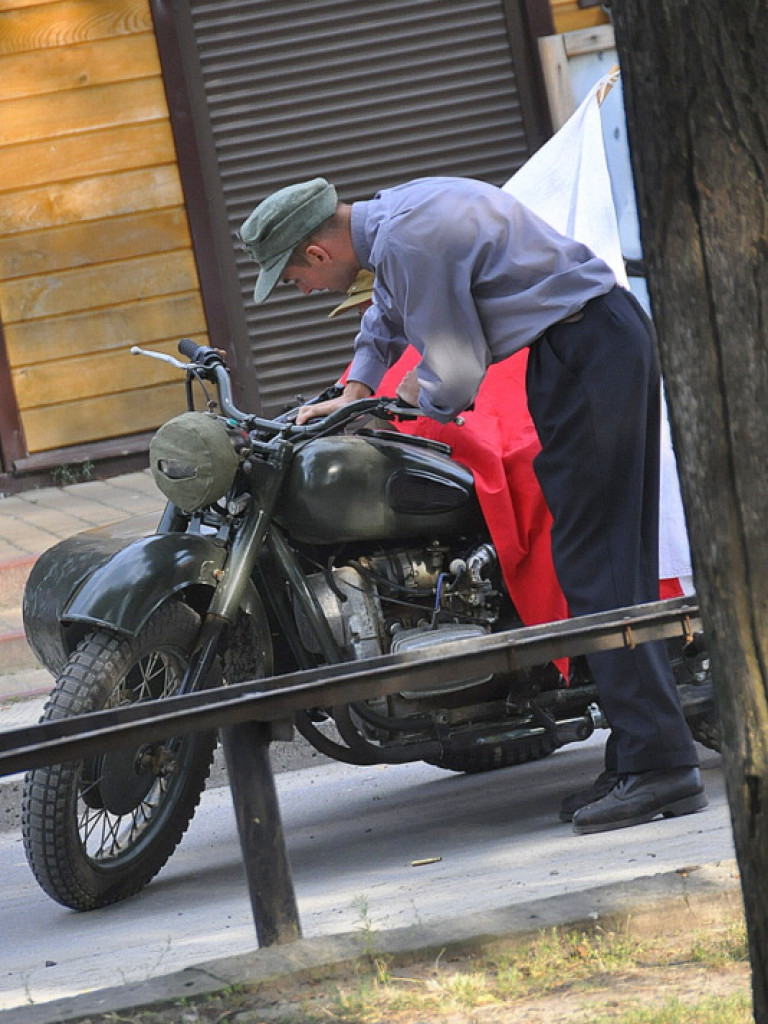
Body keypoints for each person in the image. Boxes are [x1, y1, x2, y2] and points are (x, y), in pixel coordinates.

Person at [239, 175, 707, 835]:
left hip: (586, 351)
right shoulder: (397, 218)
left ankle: (661, 765)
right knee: (601, 566)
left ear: (318, 253)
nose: (303, 291)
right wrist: (356, 391)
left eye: (294, 279)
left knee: (598, 569)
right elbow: (387, 316)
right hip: (583, 345)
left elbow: (456, 374)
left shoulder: (408, 240)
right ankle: (642, 752)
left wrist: (397, 407)